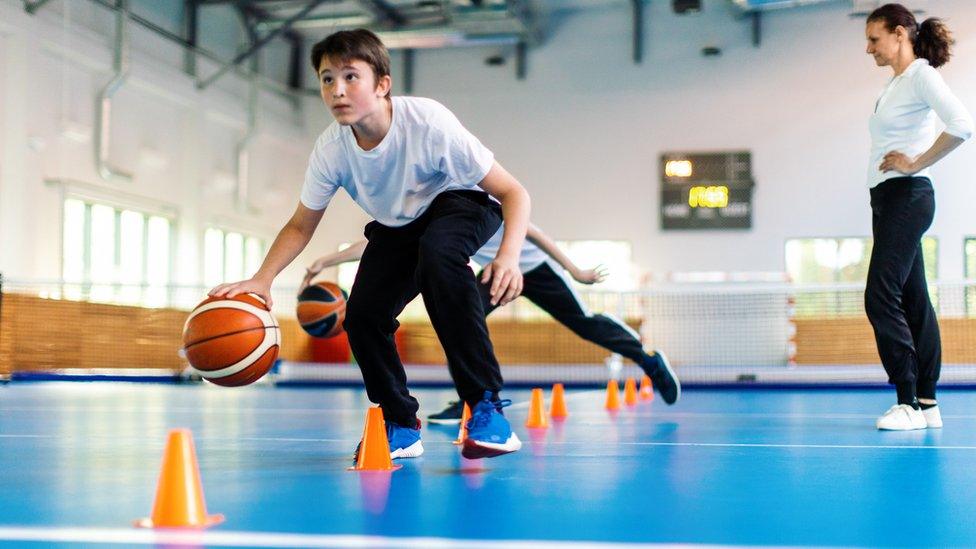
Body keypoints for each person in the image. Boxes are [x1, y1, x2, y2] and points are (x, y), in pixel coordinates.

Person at [210, 29, 532, 459]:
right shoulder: (332, 151)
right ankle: (400, 422)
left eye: (350, 77)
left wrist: (509, 258)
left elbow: (514, 192)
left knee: (439, 258)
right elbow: (301, 225)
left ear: (382, 84)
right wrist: (262, 280)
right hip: (398, 225)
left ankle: (486, 405)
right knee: (362, 317)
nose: (337, 90)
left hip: (462, 202)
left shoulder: (428, 122)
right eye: (327, 79)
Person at [303, 223, 682, 425]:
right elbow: (379, 245)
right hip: (496, 272)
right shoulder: (431, 212)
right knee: (459, 319)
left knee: (583, 324)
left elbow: (533, 231)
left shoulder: (480, 195)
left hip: (532, 267)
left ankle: (649, 360)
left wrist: (575, 269)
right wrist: (328, 260)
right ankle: (476, 399)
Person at [863, 4, 973, 430]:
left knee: (879, 295)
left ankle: (906, 401)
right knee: (914, 301)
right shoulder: (896, 84)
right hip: (888, 200)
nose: (869, 48)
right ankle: (927, 404)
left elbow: (962, 125)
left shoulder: (921, 75)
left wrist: (916, 163)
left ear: (899, 34)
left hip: (908, 196)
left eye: (874, 39)